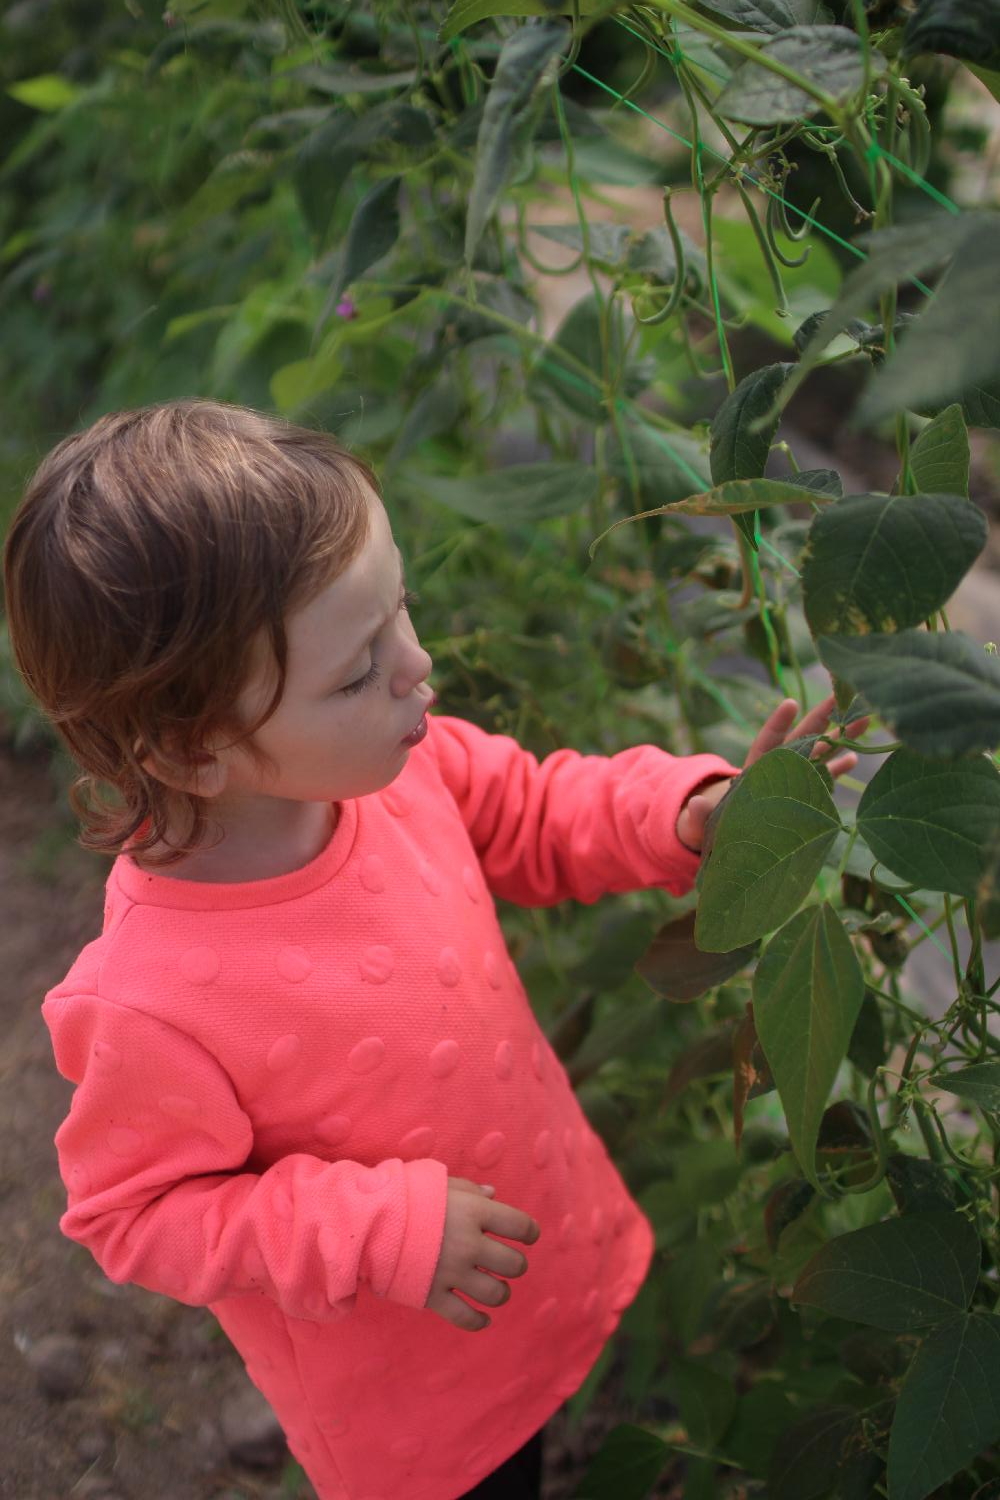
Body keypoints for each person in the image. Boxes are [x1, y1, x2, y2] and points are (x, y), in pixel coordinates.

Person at [2, 400, 864, 1500]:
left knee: (539, 1431)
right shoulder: (150, 999)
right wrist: (374, 1228)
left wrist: (681, 816)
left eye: (399, 612)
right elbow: (134, 1215)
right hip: (405, 1391)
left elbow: (538, 812)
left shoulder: (395, 772)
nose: (418, 667)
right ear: (193, 747)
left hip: (522, 1266)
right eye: (356, 673)